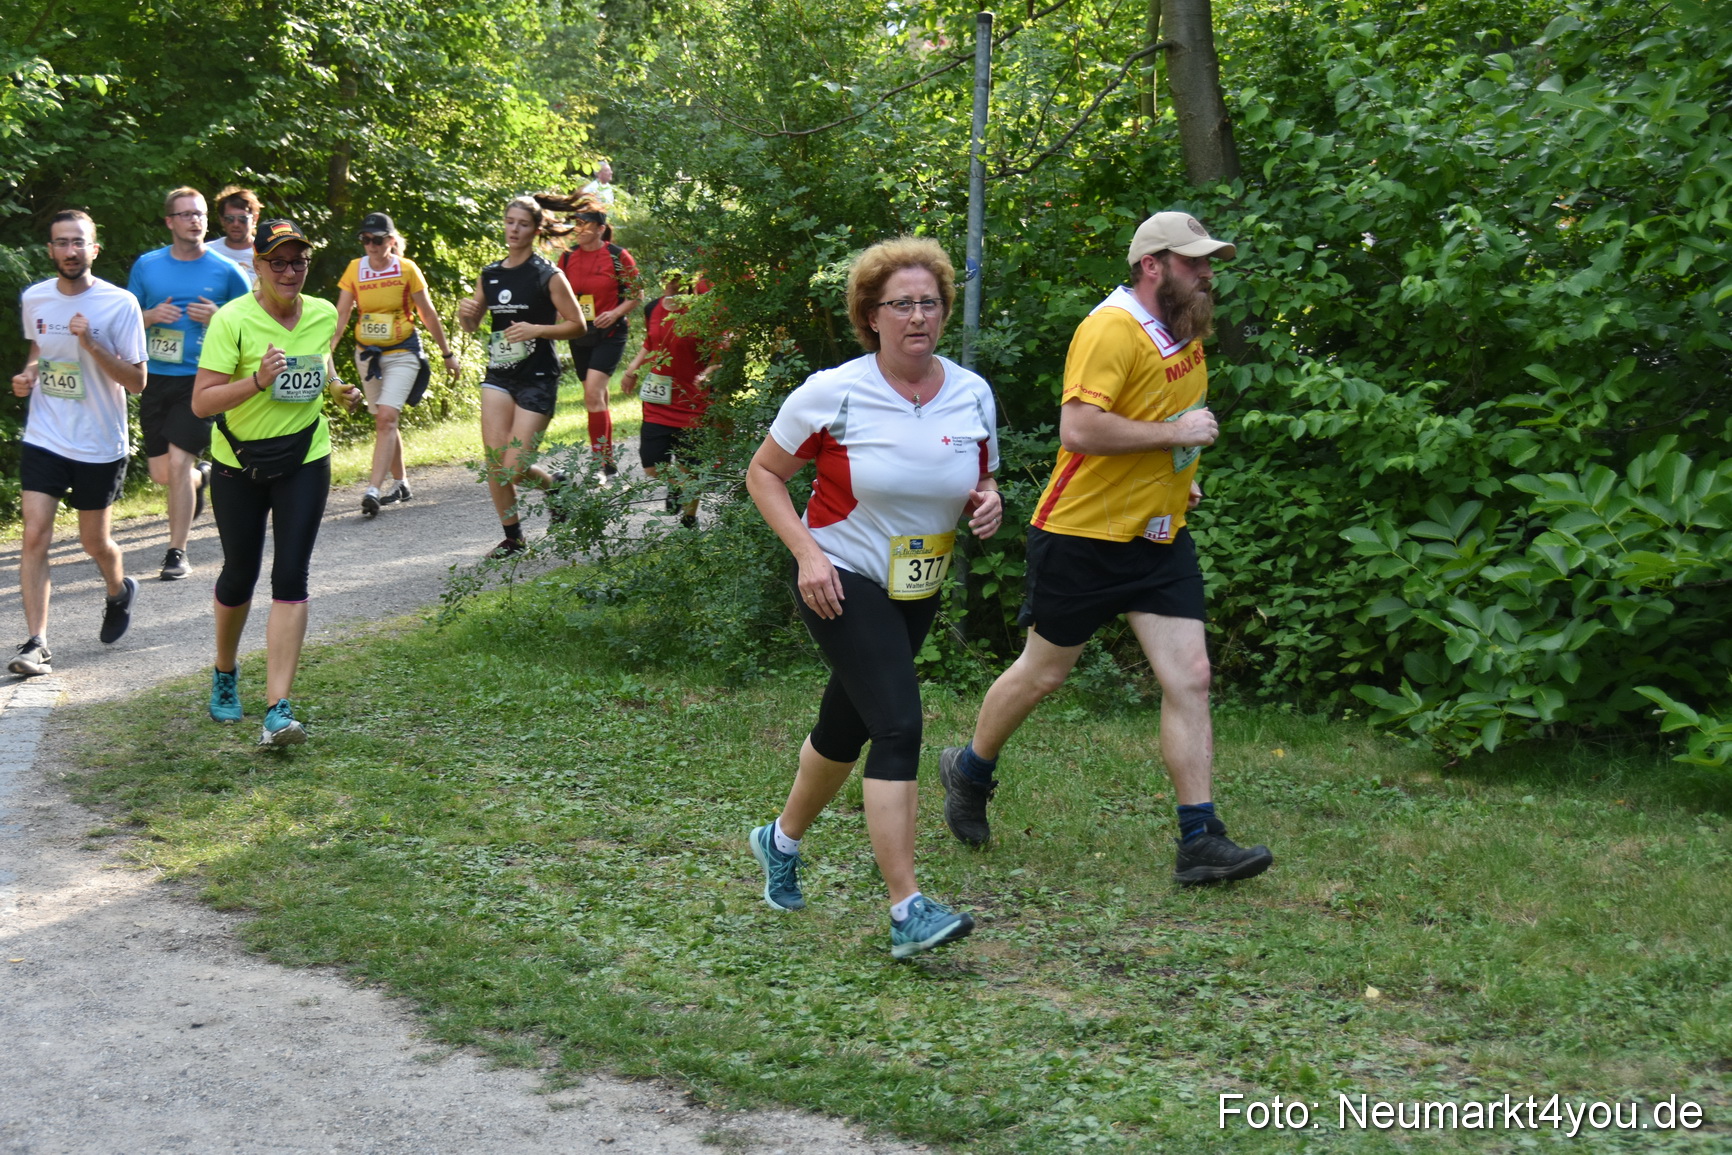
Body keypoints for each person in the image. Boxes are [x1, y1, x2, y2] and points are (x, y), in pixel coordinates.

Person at [937, 211, 1274, 886]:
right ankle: (969, 770)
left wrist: (1178, 476)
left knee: (1192, 677)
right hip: (1081, 536)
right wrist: (1174, 432)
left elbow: (1164, 427)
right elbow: (1080, 429)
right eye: (1194, 261)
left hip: (1158, 538)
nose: (1208, 273)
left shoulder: (1183, 332)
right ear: (1153, 265)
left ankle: (1200, 837)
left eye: (1209, 262)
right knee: (1044, 673)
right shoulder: (1111, 328)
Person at [744, 236, 1002, 960]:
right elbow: (763, 474)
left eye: (930, 302)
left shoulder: (971, 392)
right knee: (897, 724)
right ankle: (906, 907)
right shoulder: (835, 391)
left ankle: (779, 839)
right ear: (872, 315)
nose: (918, 316)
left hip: (916, 584)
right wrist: (807, 557)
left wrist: (989, 501)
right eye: (902, 304)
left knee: (846, 727)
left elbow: (981, 478)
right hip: (841, 576)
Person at [192, 219, 362, 746]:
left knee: (291, 576)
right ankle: (224, 672)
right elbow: (202, 402)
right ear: (257, 268)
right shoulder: (232, 321)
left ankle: (277, 709)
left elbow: (321, 361)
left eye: (299, 261)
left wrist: (337, 390)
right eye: (278, 262)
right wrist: (259, 380)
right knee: (240, 574)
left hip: (306, 455)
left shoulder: (323, 312)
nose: (290, 271)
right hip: (237, 464)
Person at [8, 210, 148, 676]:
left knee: (95, 541)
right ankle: (36, 643)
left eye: (78, 243)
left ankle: (118, 589)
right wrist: (29, 375)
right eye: (61, 243)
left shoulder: (120, 304)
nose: (70, 251)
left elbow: (138, 381)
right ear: (50, 250)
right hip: (46, 434)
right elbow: (38, 351)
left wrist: (92, 346)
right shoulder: (36, 298)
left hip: (99, 442)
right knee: (35, 534)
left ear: (94, 249)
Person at [127, 186, 250, 581]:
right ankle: (201, 477)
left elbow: (250, 322)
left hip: (202, 380)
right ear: (170, 222)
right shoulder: (147, 266)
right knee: (164, 474)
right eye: (185, 215)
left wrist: (219, 315)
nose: (195, 220)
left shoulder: (226, 271)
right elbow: (124, 320)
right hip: (155, 377)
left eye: (199, 214)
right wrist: (151, 316)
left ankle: (176, 552)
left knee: (179, 463)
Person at [455, 196, 589, 558]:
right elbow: (471, 324)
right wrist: (465, 314)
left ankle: (553, 484)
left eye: (522, 224)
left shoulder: (548, 275)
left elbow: (577, 326)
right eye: (509, 222)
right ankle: (513, 538)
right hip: (499, 374)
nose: (514, 229)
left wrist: (537, 330)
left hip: (538, 377)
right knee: (495, 464)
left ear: (535, 229)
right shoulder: (491, 274)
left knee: (513, 470)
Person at [332, 211, 460, 518]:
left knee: (386, 417)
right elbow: (342, 314)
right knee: (384, 420)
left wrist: (446, 353)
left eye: (377, 240)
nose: (371, 246)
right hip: (368, 355)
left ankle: (372, 490)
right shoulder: (354, 269)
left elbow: (427, 313)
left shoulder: (407, 269)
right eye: (365, 239)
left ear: (391, 241)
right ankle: (401, 483)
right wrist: (327, 350)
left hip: (403, 352)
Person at [619, 273, 721, 528]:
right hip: (658, 401)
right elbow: (650, 343)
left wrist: (707, 375)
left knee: (690, 466)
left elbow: (719, 353)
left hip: (693, 402)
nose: (673, 283)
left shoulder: (702, 311)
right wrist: (632, 369)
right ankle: (679, 488)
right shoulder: (653, 307)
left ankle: (689, 519)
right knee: (652, 465)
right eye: (669, 279)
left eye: (679, 279)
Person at [555, 196, 640, 479]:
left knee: (593, 394)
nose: (578, 228)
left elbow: (637, 295)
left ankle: (598, 466)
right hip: (579, 332)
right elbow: (559, 295)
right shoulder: (567, 257)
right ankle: (609, 461)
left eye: (584, 223)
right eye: (575, 223)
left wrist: (615, 313)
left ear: (600, 228)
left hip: (611, 332)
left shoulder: (617, 255)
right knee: (597, 396)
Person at [210, 186, 262, 286]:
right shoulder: (208, 252)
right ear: (221, 220)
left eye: (242, 218)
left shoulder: (265, 254)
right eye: (230, 219)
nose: (236, 224)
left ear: (255, 219)